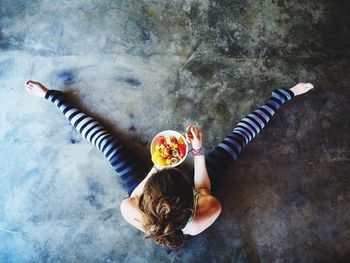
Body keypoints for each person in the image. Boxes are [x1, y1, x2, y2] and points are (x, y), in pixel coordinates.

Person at [25, 80, 314, 250]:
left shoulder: (131, 208)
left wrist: (158, 165)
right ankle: (282, 96)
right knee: (237, 139)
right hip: (163, 185)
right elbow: (202, 185)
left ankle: (54, 98)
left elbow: (140, 192)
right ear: (192, 197)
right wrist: (196, 152)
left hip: (149, 184)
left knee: (103, 141)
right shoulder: (206, 210)